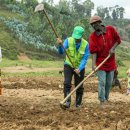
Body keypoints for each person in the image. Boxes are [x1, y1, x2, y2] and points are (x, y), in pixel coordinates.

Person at [89, 15, 121, 105]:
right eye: (92, 25)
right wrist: (93, 65)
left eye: (95, 24)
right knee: (102, 82)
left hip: (111, 63)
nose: (94, 27)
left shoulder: (110, 30)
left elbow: (118, 40)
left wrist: (113, 48)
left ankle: (106, 98)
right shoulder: (93, 36)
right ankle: (101, 101)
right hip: (100, 63)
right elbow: (94, 51)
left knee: (109, 83)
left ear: (99, 23)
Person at [57, 26, 90, 108]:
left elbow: (85, 58)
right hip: (68, 65)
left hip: (79, 67)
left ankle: (78, 103)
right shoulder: (68, 40)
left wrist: (80, 68)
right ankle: (67, 102)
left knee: (79, 85)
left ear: (82, 36)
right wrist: (60, 45)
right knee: (67, 83)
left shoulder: (86, 44)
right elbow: (61, 52)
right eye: (75, 37)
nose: (76, 39)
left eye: (78, 38)